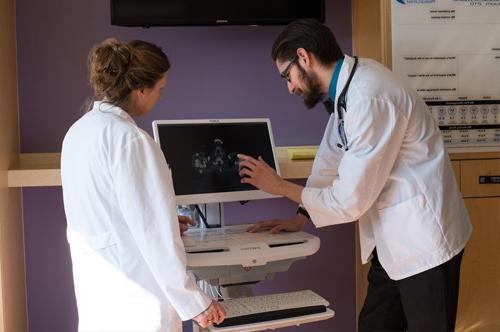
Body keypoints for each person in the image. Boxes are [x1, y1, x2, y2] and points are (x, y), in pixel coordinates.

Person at [238, 19, 472, 332]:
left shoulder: (369, 97)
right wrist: (302, 215)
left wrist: (279, 187)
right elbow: (330, 157)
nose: (290, 87)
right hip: (392, 242)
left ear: (303, 57)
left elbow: (349, 201)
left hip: (424, 241)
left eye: (287, 75)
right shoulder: (348, 87)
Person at [61, 38, 224, 331]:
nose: (160, 97)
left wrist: (164, 221)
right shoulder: (131, 140)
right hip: (138, 300)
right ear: (140, 89)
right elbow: (155, 235)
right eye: (159, 89)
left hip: (100, 292)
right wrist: (196, 304)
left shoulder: (78, 132)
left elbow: (105, 210)